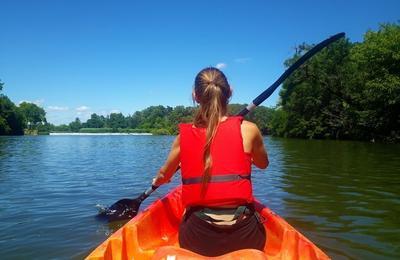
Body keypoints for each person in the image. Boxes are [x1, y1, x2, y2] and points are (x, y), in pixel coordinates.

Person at [152, 67, 269, 257]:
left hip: (198, 239)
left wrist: (157, 181)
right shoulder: (249, 130)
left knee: (186, 214)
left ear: (195, 96)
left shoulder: (183, 137)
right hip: (246, 236)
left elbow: (164, 176)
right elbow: (263, 164)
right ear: (229, 92)